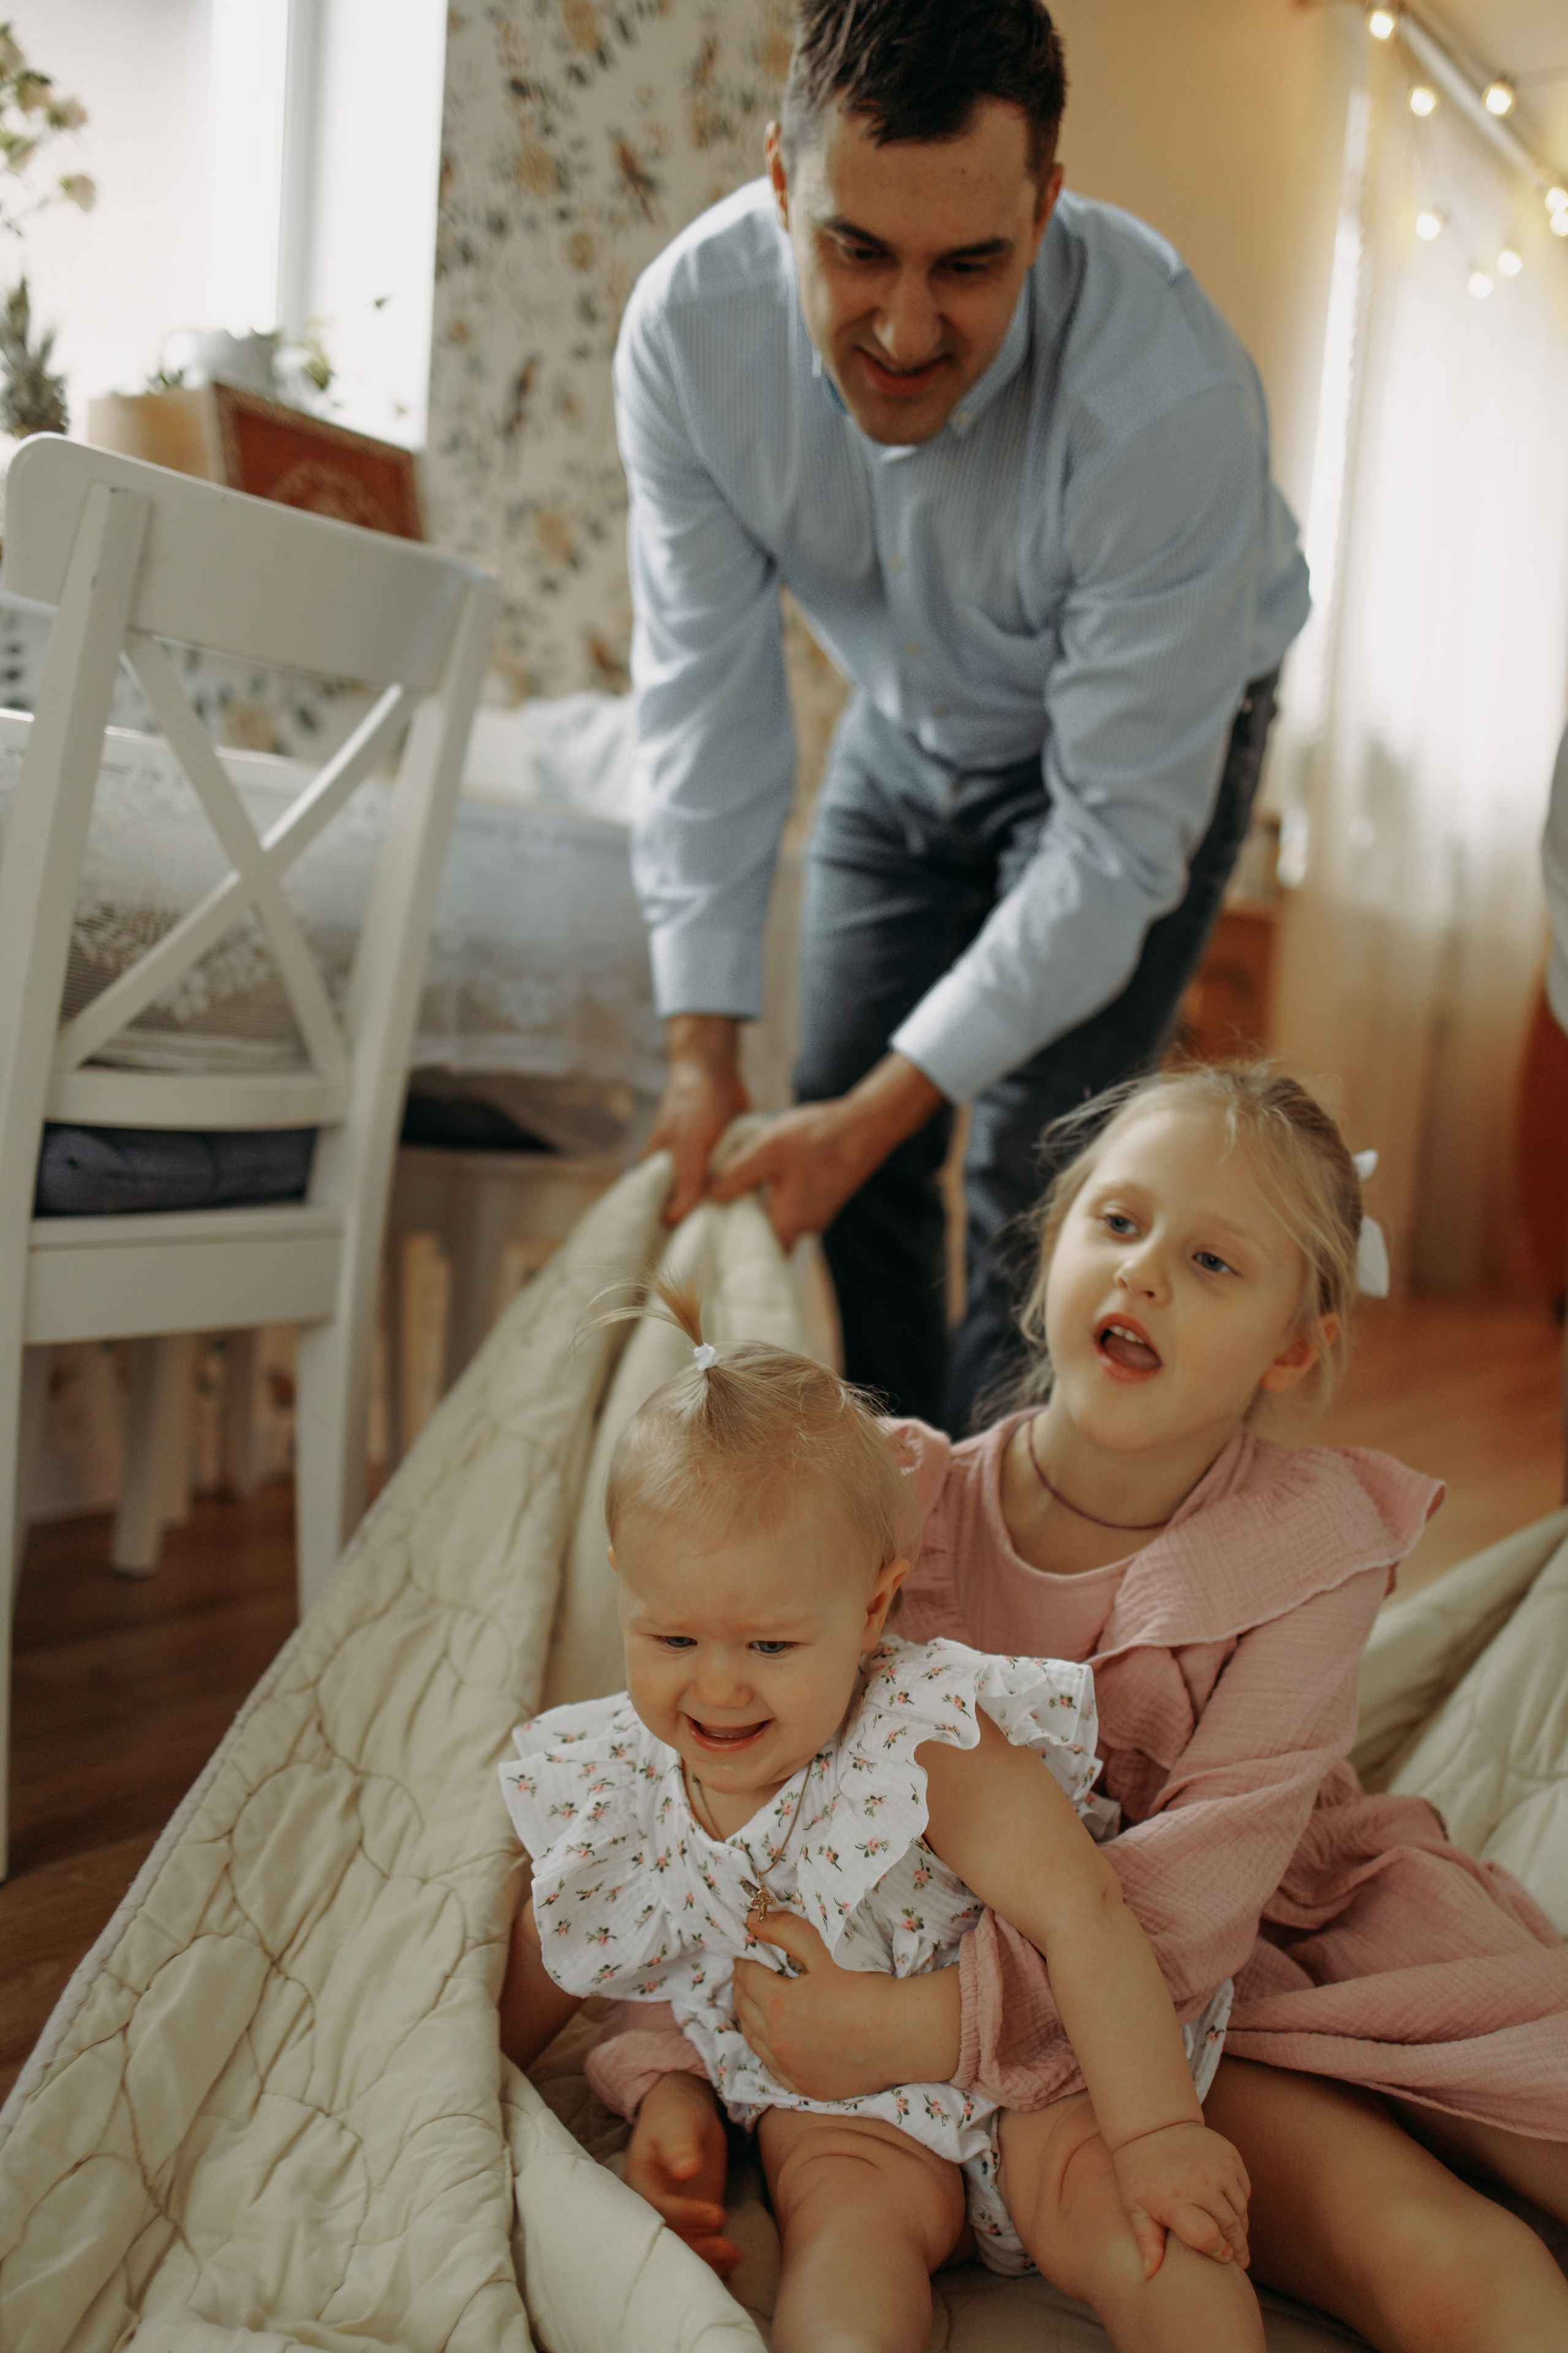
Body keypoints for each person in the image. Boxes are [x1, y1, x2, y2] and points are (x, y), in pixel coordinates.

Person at [589, 1065, 1568, 2351]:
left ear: (1293, 1343)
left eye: (1212, 1261)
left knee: (1520, 2144)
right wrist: (663, 2067)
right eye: (1116, 1224)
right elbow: (701, 1785)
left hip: (1243, 1950)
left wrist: (920, 2028)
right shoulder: (886, 1505)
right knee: (1437, 2256)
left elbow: (1196, 1901)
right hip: (1110, 2035)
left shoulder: (1307, 1541)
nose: (1145, 1271)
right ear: (1051, 1249)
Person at [619, 0, 1311, 1430]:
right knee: (838, 1133)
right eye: (853, 248)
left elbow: (1114, 844)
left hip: (1140, 744)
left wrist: (881, 1110)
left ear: (1047, 207)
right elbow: (704, 697)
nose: (903, 326)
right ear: (778, 184)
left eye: (970, 265)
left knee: (1040, 1176)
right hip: (906, 712)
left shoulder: (1164, 403)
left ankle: (992, 1604)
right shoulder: (688, 338)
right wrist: (702, 1054)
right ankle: (886, 1524)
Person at [496, 1285, 1264, 2352]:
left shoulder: (920, 1733)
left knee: (1143, 2227)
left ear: (868, 1609)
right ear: (626, 1594)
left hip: (1033, 2082)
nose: (718, 1690)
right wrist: (451, 2069)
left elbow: (1084, 1911)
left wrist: (1159, 2132)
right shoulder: (620, 1781)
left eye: (769, 1647)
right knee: (845, 2246)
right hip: (845, 2121)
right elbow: (545, 1952)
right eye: (673, 1640)